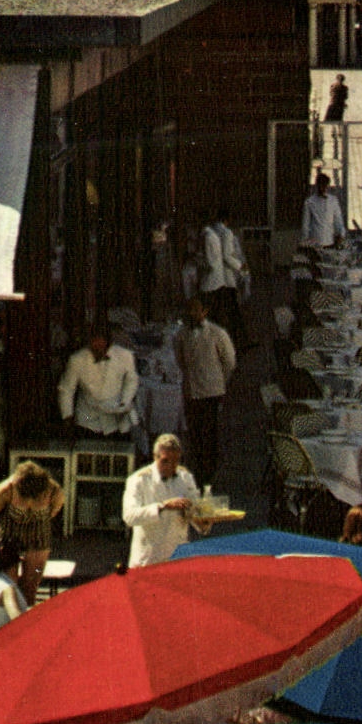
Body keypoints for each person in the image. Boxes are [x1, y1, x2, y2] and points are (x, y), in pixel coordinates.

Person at [173, 296, 236, 490]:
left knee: (210, 432)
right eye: (189, 310)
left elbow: (229, 362)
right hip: (192, 391)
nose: (192, 314)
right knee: (195, 431)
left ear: (205, 311)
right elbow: (180, 359)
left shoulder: (218, 334)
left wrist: (218, 382)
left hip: (212, 391)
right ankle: (197, 471)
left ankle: (209, 473)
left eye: (196, 310)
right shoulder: (181, 334)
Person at [120, 433, 208, 568]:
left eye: (175, 461)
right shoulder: (138, 480)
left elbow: (196, 516)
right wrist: (162, 507)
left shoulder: (185, 478)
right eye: (165, 461)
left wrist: (205, 521)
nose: (171, 466)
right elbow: (129, 517)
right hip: (148, 561)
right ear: (155, 458)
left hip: (177, 561)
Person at [0, 460, 64, 605]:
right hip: (8, 531)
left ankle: (26, 617)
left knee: (31, 584)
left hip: (39, 530)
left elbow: (54, 511)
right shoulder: (7, 488)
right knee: (8, 584)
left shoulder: (54, 490)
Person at [58, 330, 140, 442]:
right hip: (87, 417)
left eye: (101, 346)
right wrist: (67, 416)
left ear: (109, 344)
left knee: (119, 453)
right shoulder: (77, 359)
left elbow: (132, 380)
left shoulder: (125, 355)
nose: (97, 350)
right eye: (94, 346)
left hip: (116, 415)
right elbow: (66, 389)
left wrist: (124, 402)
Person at [199, 208, 248, 338]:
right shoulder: (226, 232)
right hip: (226, 275)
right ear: (228, 219)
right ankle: (238, 337)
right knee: (230, 308)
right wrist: (240, 266)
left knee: (223, 308)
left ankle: (234, 336)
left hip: (218, 277)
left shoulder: (212, 231)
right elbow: (226, 256)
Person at [301, 173, 346, 248]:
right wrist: (305, 241)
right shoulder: (309, 202)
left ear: (327, 186)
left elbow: (338, 220)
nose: (322, 188)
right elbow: (305, 225)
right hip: (314, 243)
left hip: (330, 241)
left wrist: (341, 234)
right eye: (320, 185)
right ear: (317, 185)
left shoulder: (333, 201)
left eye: (324, 185)